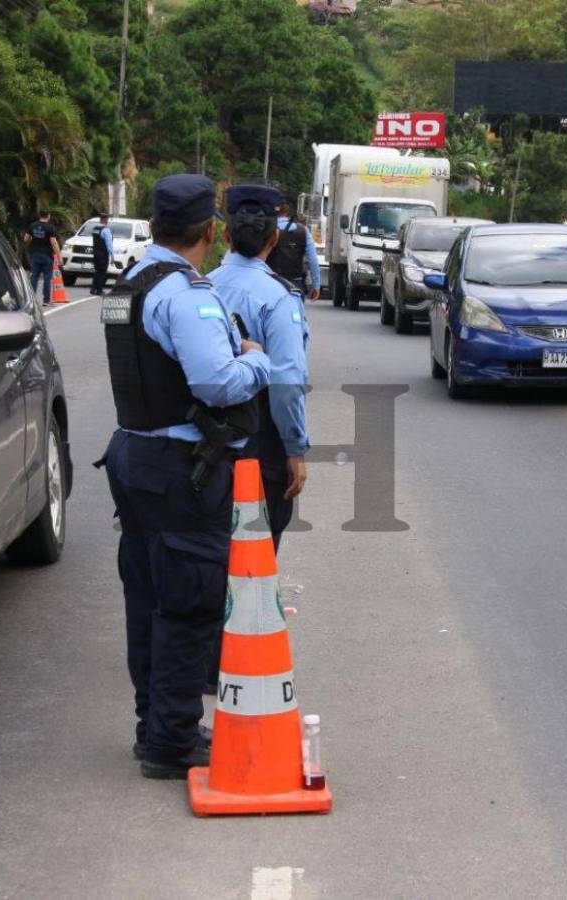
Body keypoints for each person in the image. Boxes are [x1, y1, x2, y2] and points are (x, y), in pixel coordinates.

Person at [98, 174, 271, 780]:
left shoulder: (130, 284)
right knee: (189, 600)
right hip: (179, 466)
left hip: (133, 454)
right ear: (210, 232)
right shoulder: (185, 294)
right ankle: (170, 742)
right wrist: (256, 361)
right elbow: (215, 383)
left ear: (153, 226)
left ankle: (155, 724)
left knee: (147, 597)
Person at [208, 184, 311, 695]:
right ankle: (242, 652)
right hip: (261, 441)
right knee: (257, 546)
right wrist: (295, 449)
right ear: (275, 239)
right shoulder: (276, 296)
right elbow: (287, 382)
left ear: (224, 235)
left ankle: (207, 649)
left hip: (203, 438)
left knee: (212, 543)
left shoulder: (199, 288)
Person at [267, 199, 321, 301]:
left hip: (271, 281)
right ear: (287, 212)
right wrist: (316, 285)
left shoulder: (267, 229)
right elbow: (312, 260)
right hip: (295, 283)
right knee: (295, 314)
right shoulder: (303, 231)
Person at [22, 210, 59, 306]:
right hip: (47, 256)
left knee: (34, 277)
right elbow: (54, 243)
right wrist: (59, 256)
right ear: (48, 216)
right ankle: (46, 300)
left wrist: (33, 239)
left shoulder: (32, 226)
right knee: (47, 278)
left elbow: (26, 239)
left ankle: (32, 299)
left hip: (35, 255)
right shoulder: (50, 228)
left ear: (40, 215)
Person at [92, 213, 114, 295]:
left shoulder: (95, 229)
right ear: (105, 220)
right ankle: (99, 290)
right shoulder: (106, 230)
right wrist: (112, 256)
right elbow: (109, 244)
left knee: (97, 271)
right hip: (103, 254)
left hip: (95, 253)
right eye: (107, 219)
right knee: (102, 272)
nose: (108, 221)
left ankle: (93, 288)